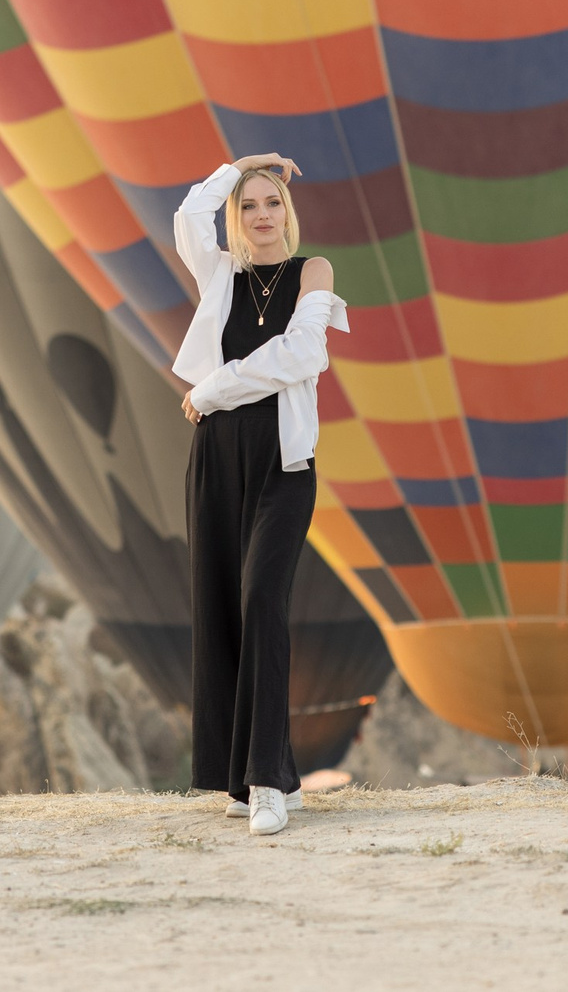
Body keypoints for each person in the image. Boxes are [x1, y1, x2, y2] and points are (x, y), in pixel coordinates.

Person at [172, 151, 345, 837]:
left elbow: (303, 354)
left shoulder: (314, 272)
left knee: (263, 599)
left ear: (288, 211)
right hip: (216, 458)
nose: (262, 214)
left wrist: (211, 388)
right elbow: (188, 217)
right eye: (249, 204)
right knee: (223, 608)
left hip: (283, 462)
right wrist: (235, 167)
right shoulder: (220, 273)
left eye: (272, 201)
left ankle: (266, 780)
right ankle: (263, 777)